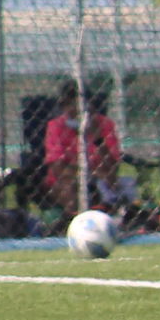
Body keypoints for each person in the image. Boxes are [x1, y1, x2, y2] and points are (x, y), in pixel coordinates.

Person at [43, 80, 122, 218]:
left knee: (111, 181)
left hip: (101, 177)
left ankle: (109, 218)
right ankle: (76, 219)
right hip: (70, 178)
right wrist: (87, 174)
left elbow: (112, 166)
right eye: (69, 105)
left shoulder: (105, 124)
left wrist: (97, 138)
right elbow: (58, 167)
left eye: (80, 105)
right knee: (68, 185)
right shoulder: (55, 126)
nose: (74, 110)